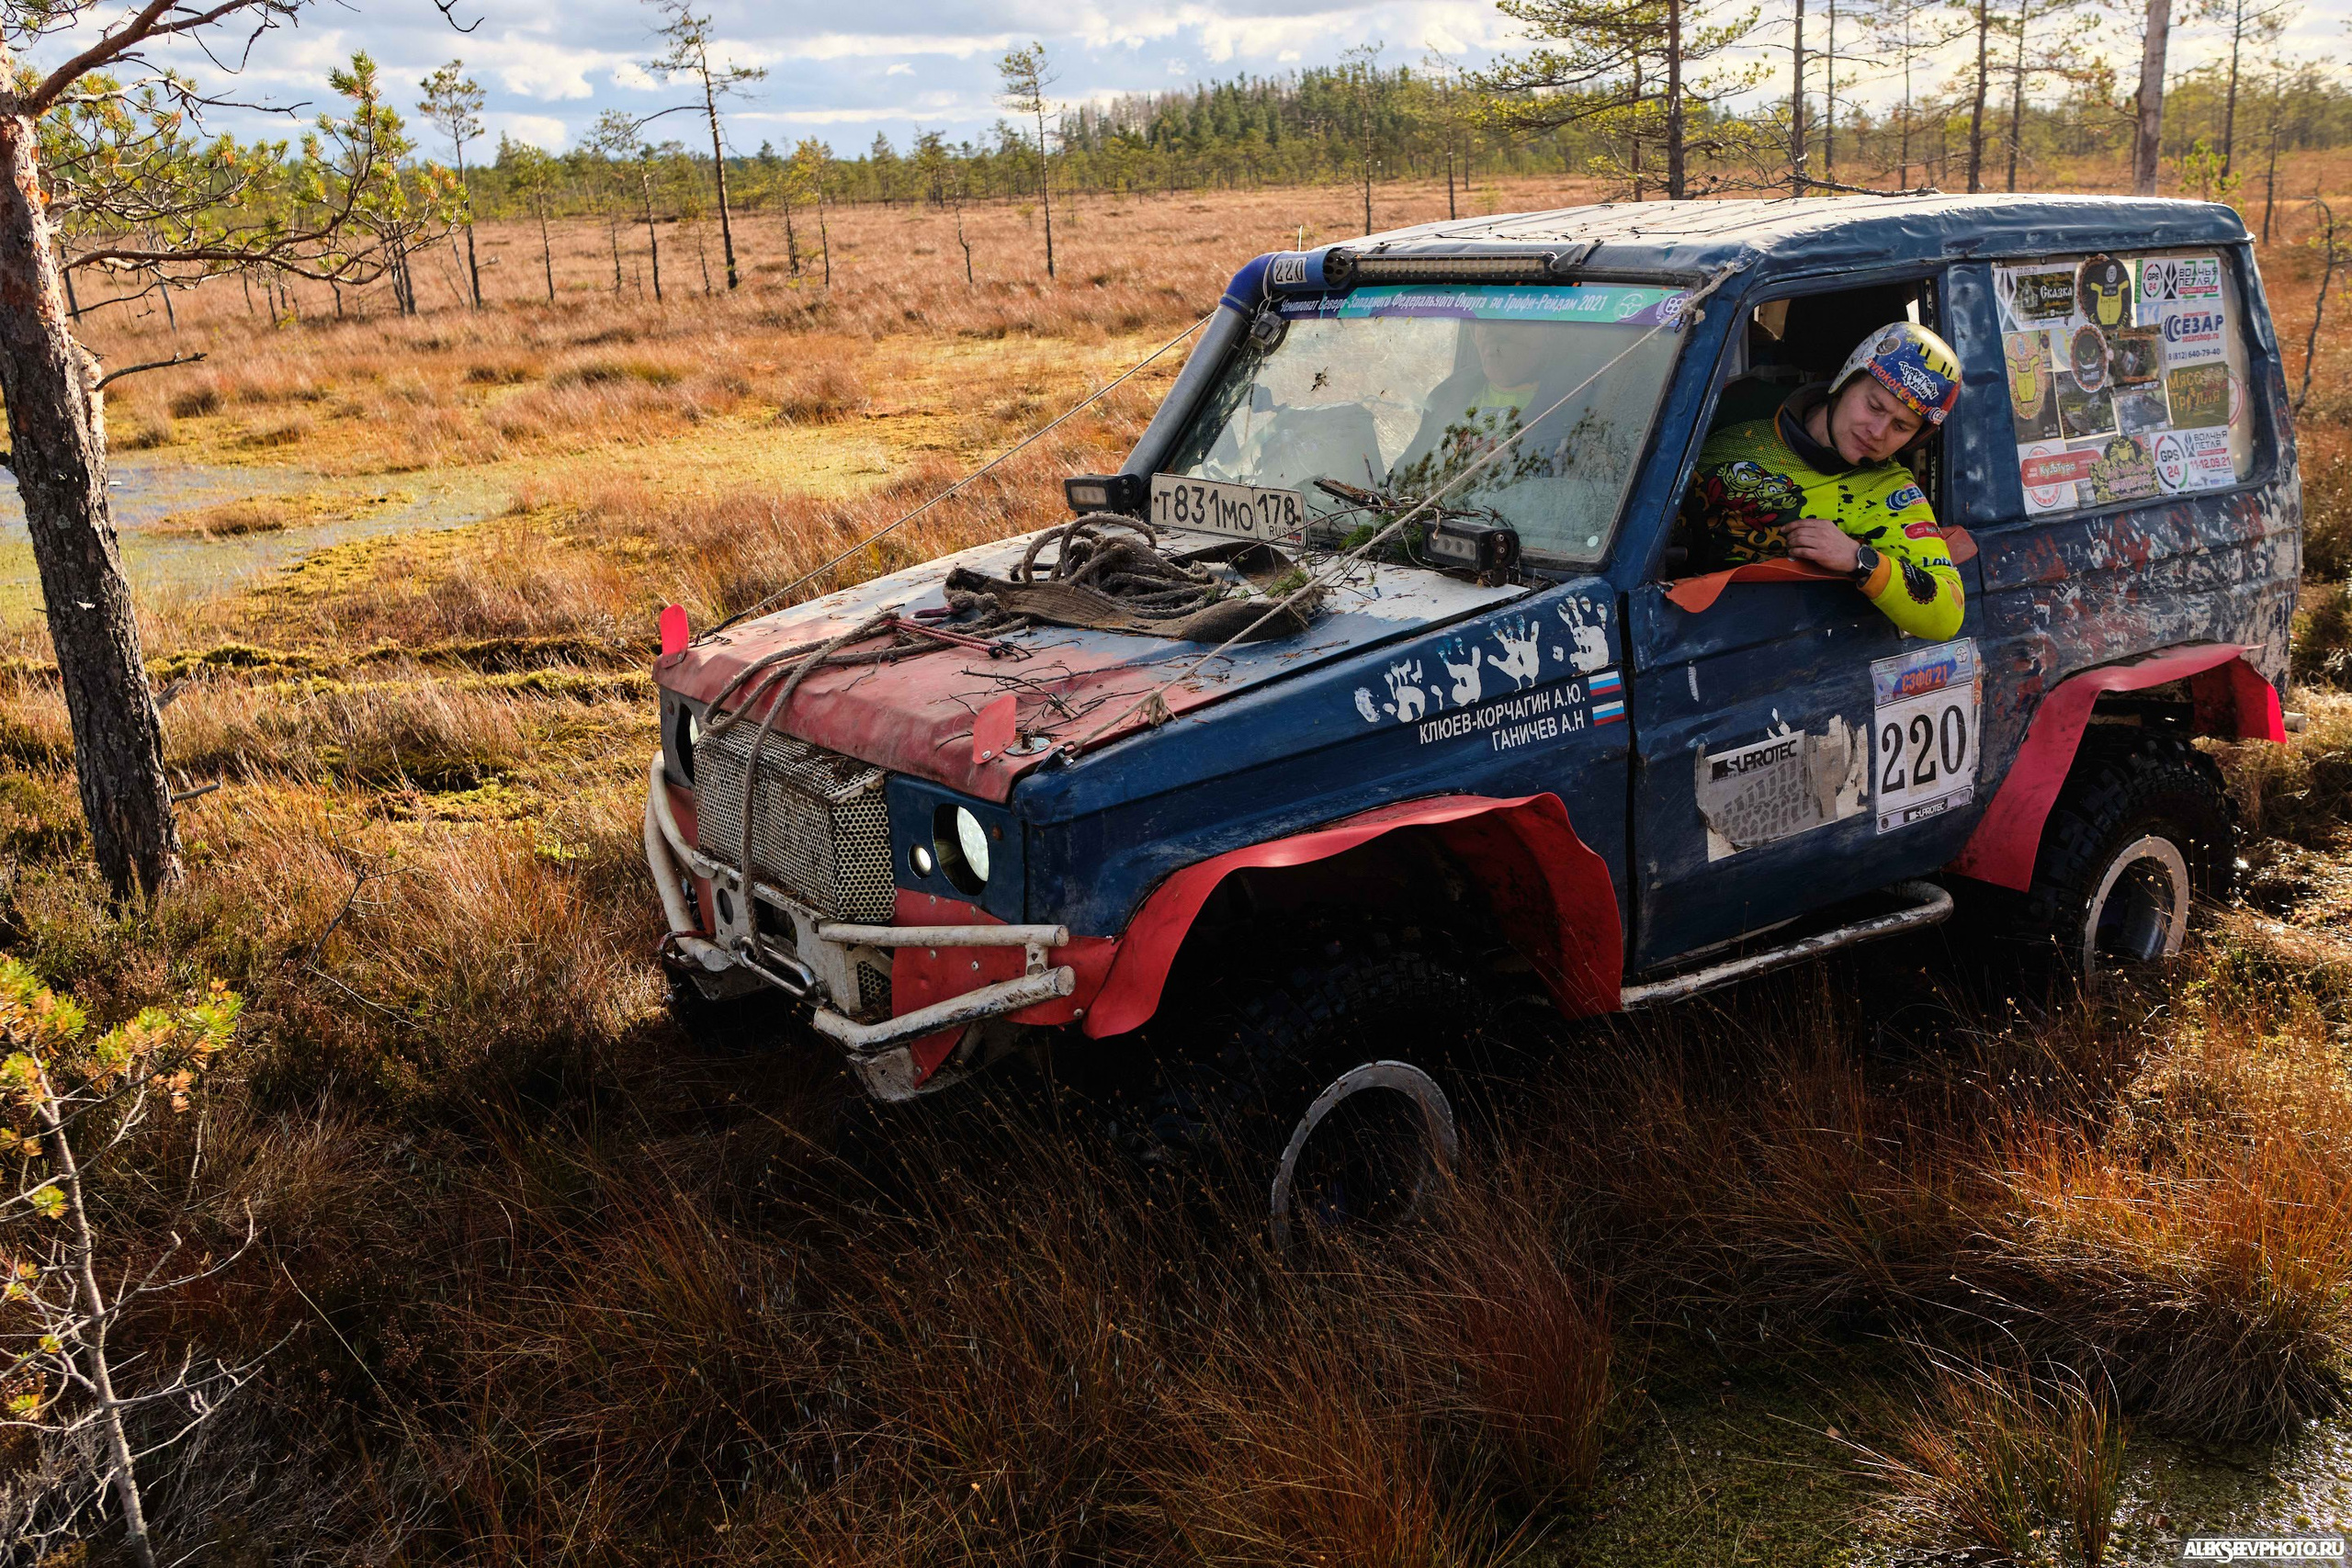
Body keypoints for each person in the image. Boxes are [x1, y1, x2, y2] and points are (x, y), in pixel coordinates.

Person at [1679, 321, 1965, 641]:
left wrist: (1859, 560)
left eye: (1901, 427)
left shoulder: (1891, 494)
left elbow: (1948, 613)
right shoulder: (1742, 403)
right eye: (1873, 406)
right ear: (1845, 380)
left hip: (1736, 637)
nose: (1877, 432)